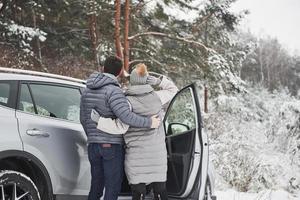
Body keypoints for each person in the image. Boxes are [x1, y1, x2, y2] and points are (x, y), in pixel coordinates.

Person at [91, 63, 178, 200]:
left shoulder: (127, 101)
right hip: (157, 155)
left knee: (139, 193)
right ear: (146, 79)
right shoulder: (157, 97)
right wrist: (158, 81)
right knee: (160, 190)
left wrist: (99, 121)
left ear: (131, 80)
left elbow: (121, 126)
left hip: (136, 156)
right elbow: (173, 90)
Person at [80, 56, 161, 200]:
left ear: (103, 68)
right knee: (112, 186)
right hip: (111, 145)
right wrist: (149, 122)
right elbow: (126, 117)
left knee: (96, 186)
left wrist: (93, 136)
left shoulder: (87, 90)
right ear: (119, 72)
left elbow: (83, 119)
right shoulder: (113, 91)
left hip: (93, 145)